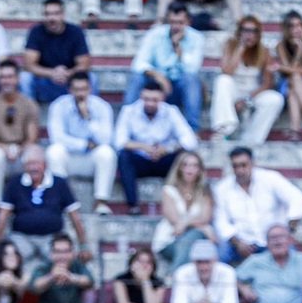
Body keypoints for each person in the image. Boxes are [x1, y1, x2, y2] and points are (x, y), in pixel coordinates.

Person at [0, 145, 90, 265]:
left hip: (51, 238)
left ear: (45, 164)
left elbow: (75, 216)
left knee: (65, 259)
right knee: (8, 260)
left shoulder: (59, 183)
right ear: (24, 166)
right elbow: (3, 215)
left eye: (37, 163)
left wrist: (83, 245)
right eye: (29, 164)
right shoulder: (16, 182)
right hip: (22, 238)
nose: (33, 168)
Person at [212, 147, 302, 264]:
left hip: (273, 240)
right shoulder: (222, 188)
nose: (240, 170)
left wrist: (288, 229)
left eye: (243, 165)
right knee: (219, 255)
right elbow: (220, 221)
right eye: (235, 166)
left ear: (252, 164)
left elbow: (298, 199)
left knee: (291, 258)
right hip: (240, 243)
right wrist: (237, 242)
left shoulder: (270, 178)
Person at [113, 83, 198, 214]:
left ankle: (182, 204)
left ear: (162, 99)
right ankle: (133, 206)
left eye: (155, 100)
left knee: (184, 156)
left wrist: (167, 149)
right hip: (140, 160)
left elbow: (190, 140)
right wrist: (143, 147)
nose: (150, 103)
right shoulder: (129, 111)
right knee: (124, 156)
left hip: (164, 160)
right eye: (146, 99)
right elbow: (118, 141)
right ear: (140, 96)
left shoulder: (171, 111)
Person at [46, 72, 117, 215]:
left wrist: (88, 118)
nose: (80, 93)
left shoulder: (102, 107)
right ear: (70, 90)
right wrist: (84, 144)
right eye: (77, 89)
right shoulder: (58, 106)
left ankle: (100, 202)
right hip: (68, 158)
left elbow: (106, 140)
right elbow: (56, 137)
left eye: (84, 89)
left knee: (107, 153)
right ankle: (62, 201)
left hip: (91, 160)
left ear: (90, 89)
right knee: (53, 151)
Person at [126, 3, 205, 125]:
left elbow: (192, 68)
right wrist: (159, 77)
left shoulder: (197, 38)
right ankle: (126, 122)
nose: (176, 26)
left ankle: (192, 128)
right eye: (172, 22)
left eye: (180, 22)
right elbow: (138, 64)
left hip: (179, 87)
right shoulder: (155, 34)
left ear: (188, 22)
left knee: (191, 79)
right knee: (137, 77)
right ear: (167, 21)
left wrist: (177, 47)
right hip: (156, 86)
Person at [0, 61, 42, 204]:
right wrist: (4, 148)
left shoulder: (29, 104)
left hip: (21, 152)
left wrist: (19, 149)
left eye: (10, 77)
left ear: (17, 79)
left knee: (35, 155)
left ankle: (32, 203)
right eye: (3, 77)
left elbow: (32, 138)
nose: (6, 81)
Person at [212, 16, 284, 143]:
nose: (249, 35)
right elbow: (226, 72)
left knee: (275, 99)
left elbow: (268, 84)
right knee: (222, 80)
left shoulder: (264, 51)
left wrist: (247, 99)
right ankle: (225, 127)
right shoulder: (230, 44)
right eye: (246, 31)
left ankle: (252, 140)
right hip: (233, 90)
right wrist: (240, 49)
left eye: (254, 31)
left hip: (252, 92)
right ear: (239, 31)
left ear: (258, 34)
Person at [23, 0, 93, 107]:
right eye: (47, 14)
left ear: (63, 15)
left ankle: (88, 115)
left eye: (56, 13)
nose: (51, 18)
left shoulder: (75, 32)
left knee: (92, 79)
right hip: (44, 82)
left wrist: (67, 73)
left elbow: (84, 64)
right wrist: (52, 73)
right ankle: (30, 116)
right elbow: (29, 65)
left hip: (70, 82)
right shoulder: (36, 32)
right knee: (24, 78)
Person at [152, 149, 216, 266]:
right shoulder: (169, 190)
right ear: (179, 168)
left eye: (194, 165)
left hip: (195, 240)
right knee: (192, 238)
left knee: (194, 236)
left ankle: (173, 277)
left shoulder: (205, 192)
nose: (190, 169)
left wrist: (185, 223)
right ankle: (177, 275)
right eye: (186, 165)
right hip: (170, 240)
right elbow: (174, 220)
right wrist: (202, 227)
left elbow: (205, 218)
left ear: (199, 170)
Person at [235, 223, 302, 303]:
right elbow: (231, 278)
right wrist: (244, 289)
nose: (277, 242)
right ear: (267, 243)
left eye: (281, 237)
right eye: (273, 238)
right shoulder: (255, 261)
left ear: (290, 240)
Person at [169, 239, 240, 303]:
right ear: (192, 261)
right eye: (199, 262)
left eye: (207, 262)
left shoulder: (228, 272)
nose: (204, 267)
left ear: (215, 260)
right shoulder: (182, 273)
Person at [30, 234, 96, 303]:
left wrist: (72, 278)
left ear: (73, 253)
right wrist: (51, 276)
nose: (62, 256)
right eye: (57, 251)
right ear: (51, 254)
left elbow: (90, 281)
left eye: (66, 251)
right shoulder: (44, 267)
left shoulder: (78, 266)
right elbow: (35, 287)